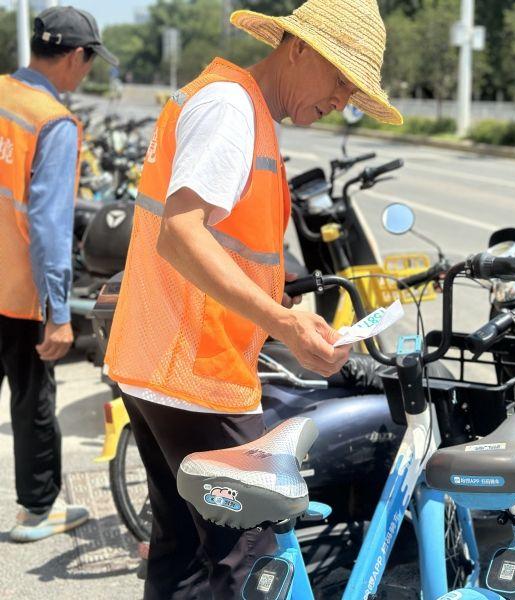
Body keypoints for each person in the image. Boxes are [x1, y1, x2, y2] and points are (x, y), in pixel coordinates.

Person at [102, 0, 401, 596]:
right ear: (298, 48)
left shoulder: (237, 106)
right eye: (341, 78)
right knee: (253, 560)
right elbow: (181, 234)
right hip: (196, 373)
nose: (343, 99)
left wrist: (286, 317)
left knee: (184, 556)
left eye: (354, 90)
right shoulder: (231, 108)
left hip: (164, 362)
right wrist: (284, 323)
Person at [0, 6, 118, 543]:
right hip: (19, 294)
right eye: (90, 61)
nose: (87, 72)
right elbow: (48, 226)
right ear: (75, 56)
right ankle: (37, 511)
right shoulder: (52, 121)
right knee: (33, 400)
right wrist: (57, 313)